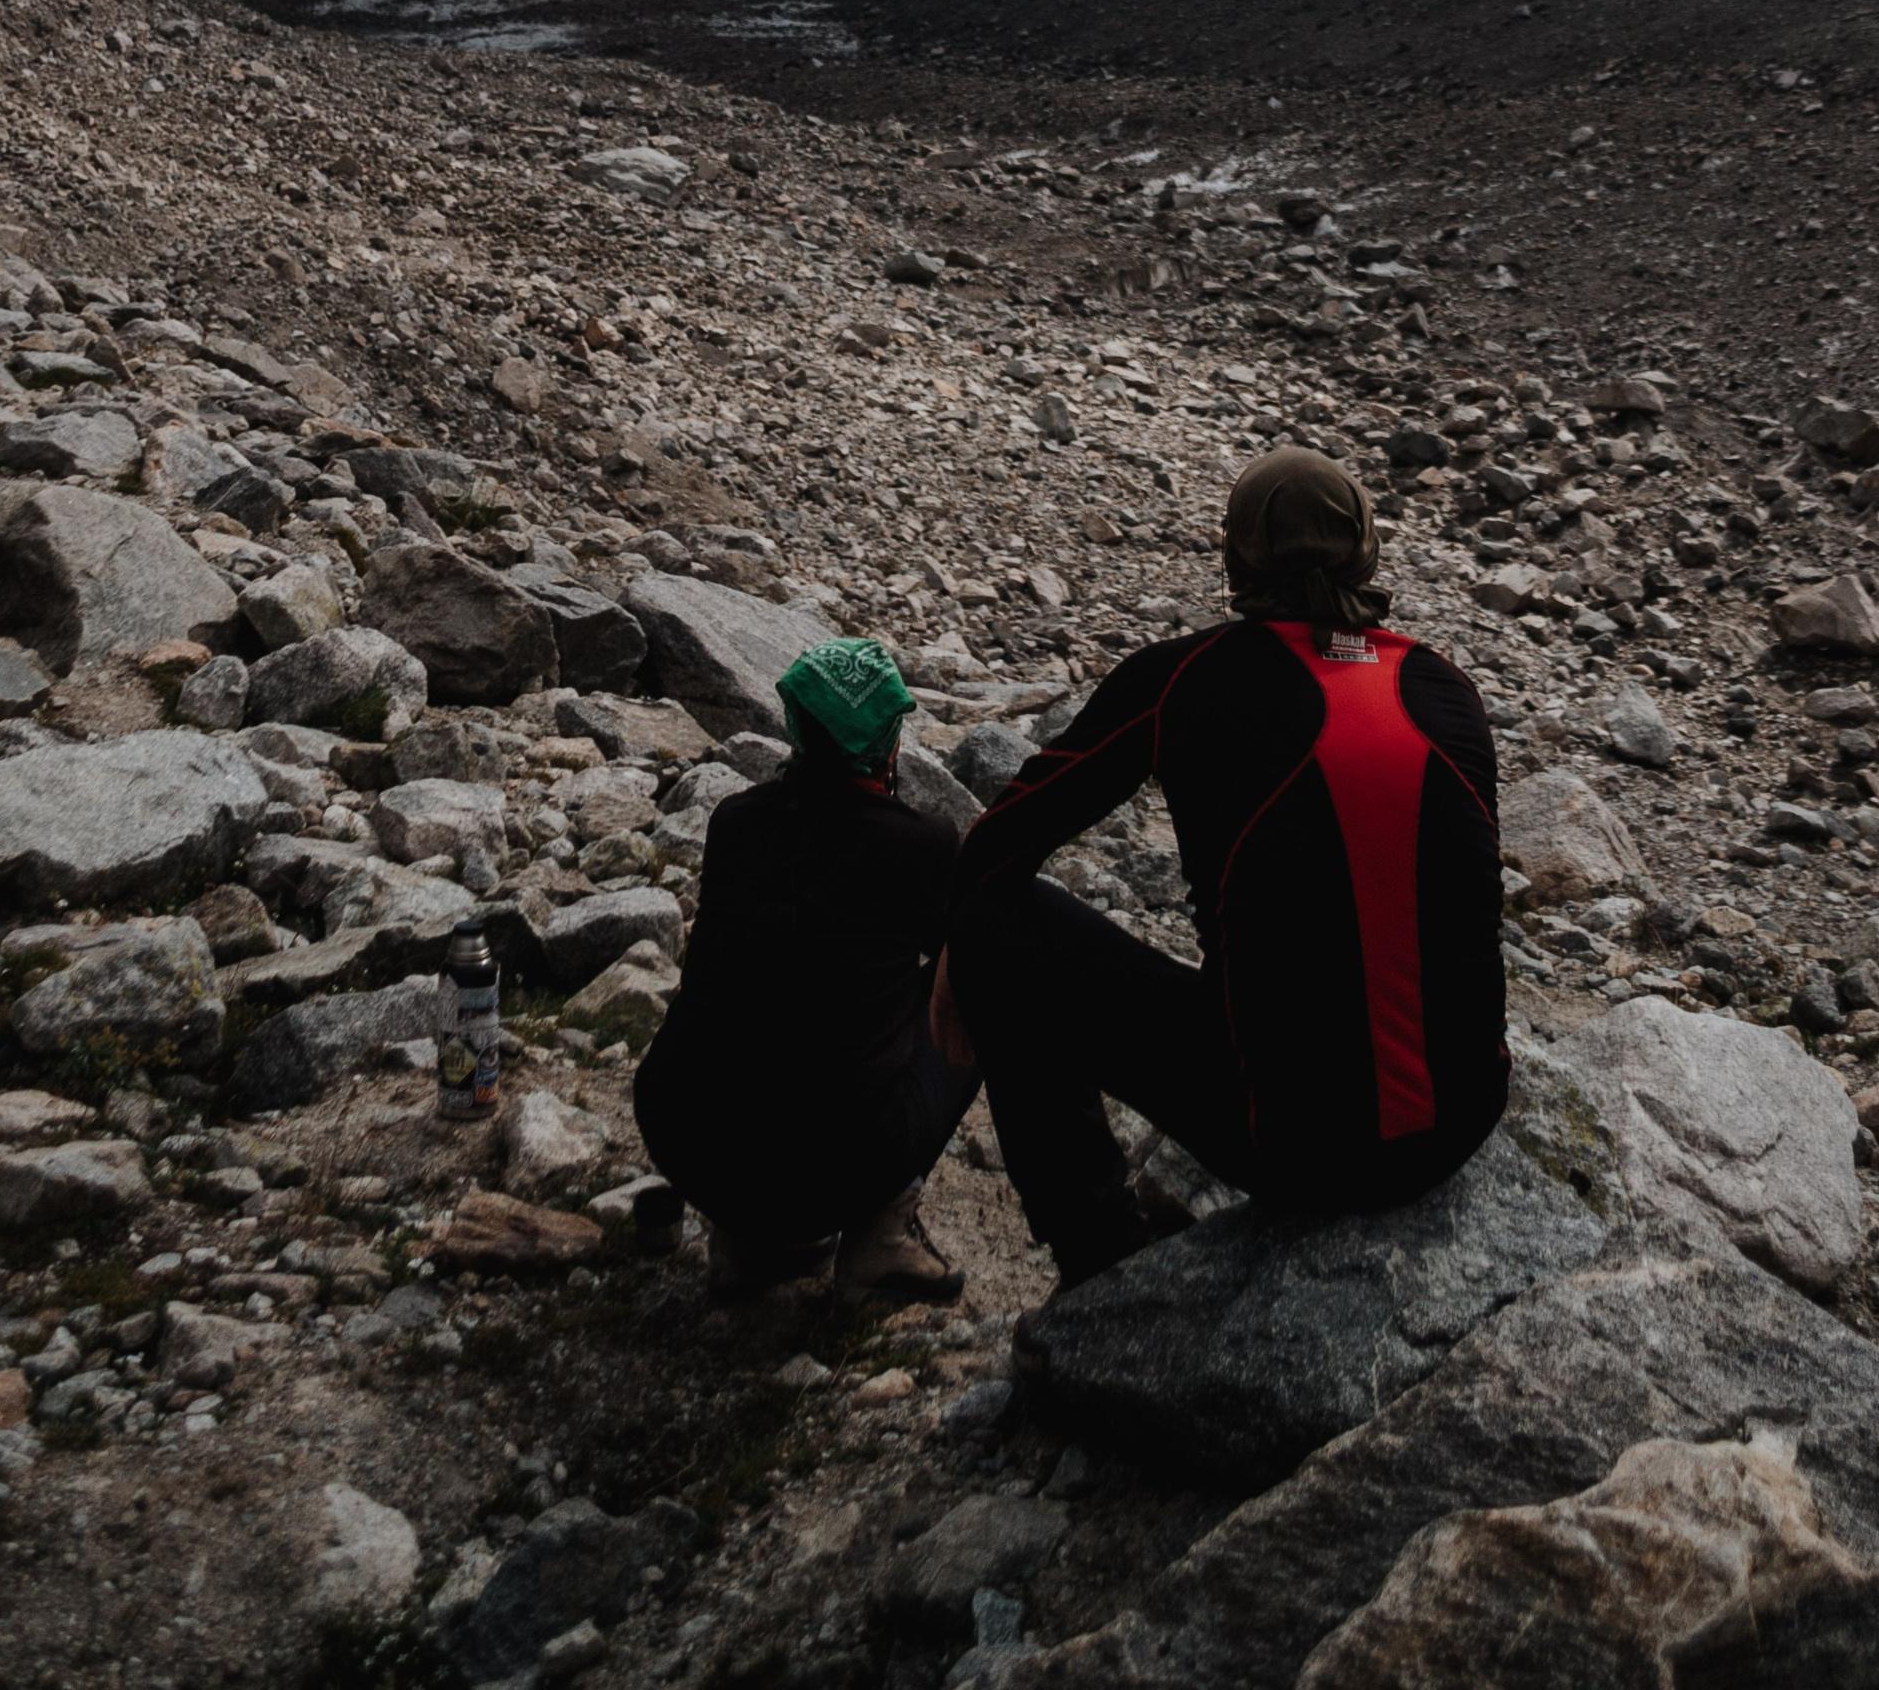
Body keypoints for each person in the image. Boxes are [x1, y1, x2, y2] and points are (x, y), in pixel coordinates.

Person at [940, 449, 1509, 1284]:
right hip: (1462, 1124)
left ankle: (1099, 1259)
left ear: (1234, 557)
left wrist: (959, 955)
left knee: (993, 925)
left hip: (1292, 1145)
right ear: (1368, 552)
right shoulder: (1443, 684)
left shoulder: (1182, 678)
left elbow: (1001, 843)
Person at [633, 633, 978, 1303]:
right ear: (886, 740)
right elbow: (954, 956)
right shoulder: (920, 842)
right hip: (837, 1167)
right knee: (978, 977)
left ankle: (745, 1241)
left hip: (684, 1138)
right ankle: (880, 1235)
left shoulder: (735, 822)